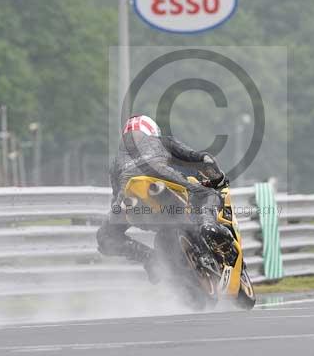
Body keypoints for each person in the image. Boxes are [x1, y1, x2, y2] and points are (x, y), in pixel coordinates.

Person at [96, 114, 226, 281]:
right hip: (162, 182)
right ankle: (208, 223)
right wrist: (215, 175)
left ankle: (150, 258)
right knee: (209, 194)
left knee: (105, 235)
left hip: (130, 200)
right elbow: (199, 158)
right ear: (152, 131)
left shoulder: (116, 161)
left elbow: (115, 198)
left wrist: (119, 208)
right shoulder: (163, 141)